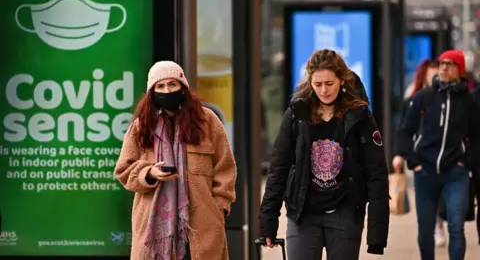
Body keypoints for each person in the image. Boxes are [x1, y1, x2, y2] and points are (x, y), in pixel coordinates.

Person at [259, 49, 390, 260]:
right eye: (317, 84)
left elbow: (377, 174)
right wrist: (268, 221)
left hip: (345, 213)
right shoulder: (297, 113)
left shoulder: (359, 116)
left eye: (329, 84)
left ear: (342, 80)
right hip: (303, 213)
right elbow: (279, 168)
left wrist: (377, 234)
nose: (323, 90)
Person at [114, 61, 237, 260]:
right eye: (160, 86)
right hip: (153, 232)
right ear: (152, 91)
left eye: (172, 84)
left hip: (201, 228)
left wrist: (218, 208)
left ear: (183, 88)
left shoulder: (207, 121)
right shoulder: (141, 126)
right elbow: (124, 170)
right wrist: (149, 173)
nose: (167, 90)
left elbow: (225, 167)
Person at [400, 50, 480, 260]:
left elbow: (476, 136)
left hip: (456, 173)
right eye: (442, 63)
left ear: (460, 70)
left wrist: (465, 162)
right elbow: (406, 130)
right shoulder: (423, 97)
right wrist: (413, 161)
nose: (444, 67)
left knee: (456, 226)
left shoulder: (469, 101)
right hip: (425, 172)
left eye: (450, 64)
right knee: (425, 230)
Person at [392, 59, 444, 245]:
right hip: (418, 153)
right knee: (425, 194)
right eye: (432, 71)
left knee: (441, 192)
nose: (436, 74)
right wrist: (399, 154)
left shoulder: (446, 97)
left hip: (441, 153)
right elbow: (403, 128)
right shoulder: (413, 98)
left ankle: (437, 224)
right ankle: (429, 225)